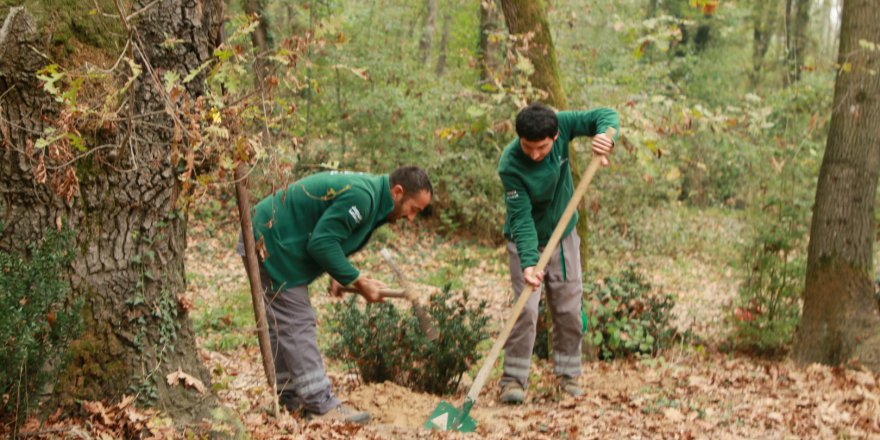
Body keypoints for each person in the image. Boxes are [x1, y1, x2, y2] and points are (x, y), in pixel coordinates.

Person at [237, 166, 433, 423]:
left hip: (268, 233)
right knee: (297, 321)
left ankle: (289, 398)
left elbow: (331, 234)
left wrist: (342, 276)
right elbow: (321, 243)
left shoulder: (372, 197)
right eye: (414, 209)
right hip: (271, 240)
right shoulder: (364, 197)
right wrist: (356, 279)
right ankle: (320, 406)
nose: (411, 218)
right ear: (398, 192)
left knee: (283, 324)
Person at [497, 103, 618, 404]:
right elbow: (521, 218)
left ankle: (568, 376)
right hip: (525, 240)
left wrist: (605, 136)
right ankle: (512, 381)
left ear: (555, 136)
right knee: (526, 310)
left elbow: (606, 115)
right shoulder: (510, 164)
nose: (535, 154)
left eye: (541, 147)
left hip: (563, 235)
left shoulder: (563, 125)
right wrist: (528, 263)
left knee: (568, 309)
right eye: (528, 147)